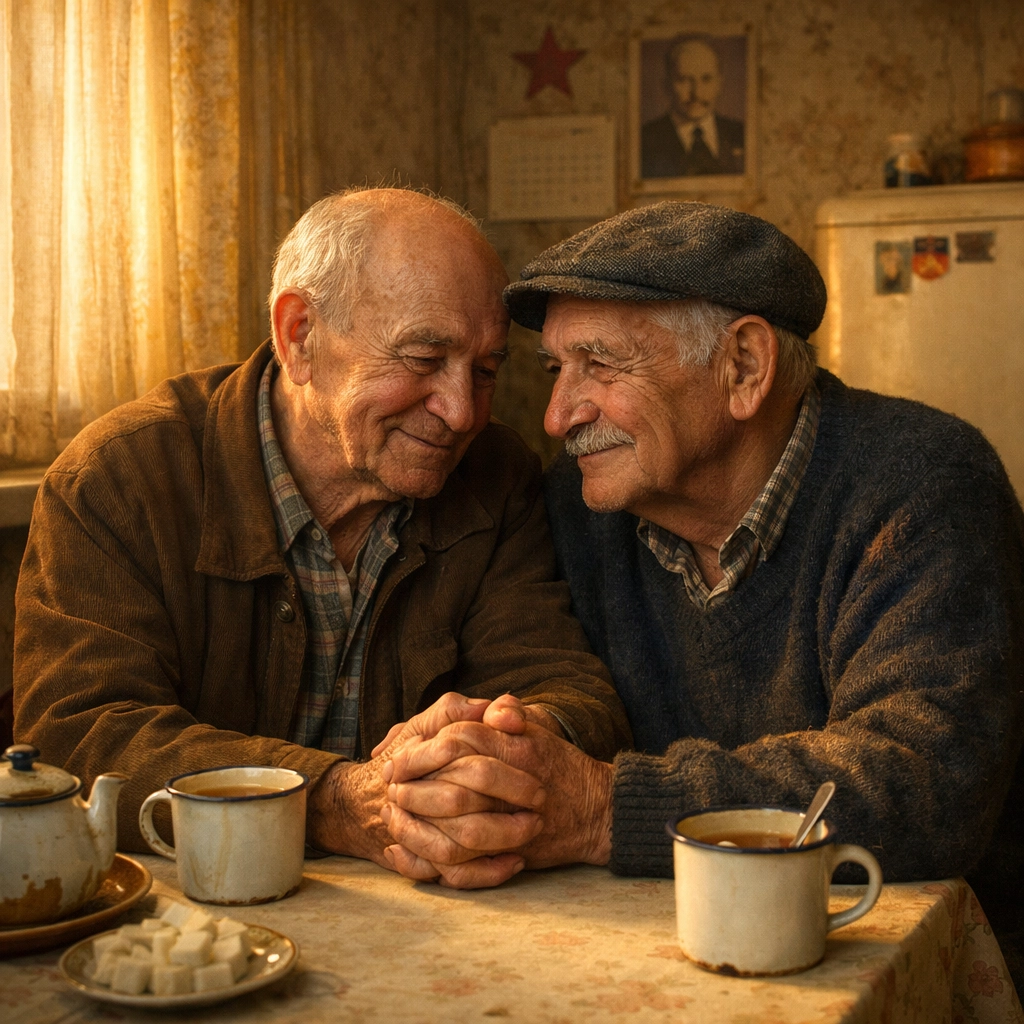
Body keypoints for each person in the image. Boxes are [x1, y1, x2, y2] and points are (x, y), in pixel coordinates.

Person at [378, 203, 1024, 983]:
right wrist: (488, 758)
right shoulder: (579, 511)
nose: (556, 417)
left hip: (906, 969)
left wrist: (604, 808)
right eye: (555, 369)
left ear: (744, 368)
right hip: (663, 956)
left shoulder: (924, 485)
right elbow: (548, 706)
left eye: (601, 365)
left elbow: (925, 779)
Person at [11, 187, 631, 866]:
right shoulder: (118, 478)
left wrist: (514, 742)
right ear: (299, 335)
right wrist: (336, 800)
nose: (461, 412)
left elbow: (570, 690)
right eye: (424, 360)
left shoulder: (496, 474)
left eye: (484, 370)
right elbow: (82, 735)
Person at [641, 37, 745, 178]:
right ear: (667, 85)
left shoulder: (741, 134)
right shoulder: (644, 142)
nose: (696, 93)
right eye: (684, 80)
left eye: (706, 79)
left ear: (719, 83)